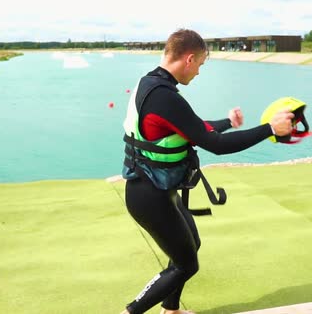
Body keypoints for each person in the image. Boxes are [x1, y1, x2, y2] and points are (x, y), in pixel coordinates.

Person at [119, 28, 294, 314]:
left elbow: (190, 128)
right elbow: (216, 145)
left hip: (156, 189)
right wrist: (271, 129)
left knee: (191, 245)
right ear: (188, 59)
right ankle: (131, 312)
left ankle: (170, 310)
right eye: (200, 65)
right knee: (187, 264)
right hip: (148, 196)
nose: (199, 72)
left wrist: (227, 121)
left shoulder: (149, 83)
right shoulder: (165, 97)